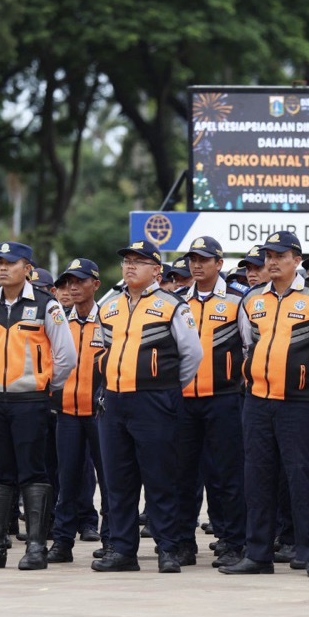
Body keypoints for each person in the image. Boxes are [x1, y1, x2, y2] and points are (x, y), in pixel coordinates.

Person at [220, 230, 309, 579]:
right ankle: (258, 553)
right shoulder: (252, 300)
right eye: (268, 256)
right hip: (259, 401)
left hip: (301, 403)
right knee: (258, 478)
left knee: (304, 477)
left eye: (280, 256)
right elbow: (249, 346)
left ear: (298, 260)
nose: (272, 262)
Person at [91, 240, 202, 574]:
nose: (129, 267)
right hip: (115, 401)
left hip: (155, 401)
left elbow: (192, 356)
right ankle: (123, 550)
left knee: (160, 478)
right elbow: (100, 350)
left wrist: (164, 386)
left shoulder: (173, 305)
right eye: (126, 261)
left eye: (138, 262)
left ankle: (168, 549)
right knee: (118, 481)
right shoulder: (108, 306)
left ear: (156, 270)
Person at [0, 242, 76, 571]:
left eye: (11, 263)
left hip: (30, 401)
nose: (3, 268)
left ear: (27, 268)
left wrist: (41, 385)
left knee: (33, 472)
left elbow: (66, 357)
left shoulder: (47, 305)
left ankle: (36, 546)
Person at [174, 236, 248, 569]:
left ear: (219, 264)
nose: (197, 264)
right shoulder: (176, 301)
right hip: (184, 401)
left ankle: (232, 542)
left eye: (204, 259)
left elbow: (250, 346)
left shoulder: (237, 300)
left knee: (227, 474)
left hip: (225, 399)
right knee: (183, 476)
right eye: (193, 259)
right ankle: (183, 543)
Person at [47, 258, 109, 563]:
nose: (72, 287)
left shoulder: (109, 319)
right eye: (68, 281)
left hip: (101, 414)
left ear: (95, 285)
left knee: (109, 480)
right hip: (67, 413)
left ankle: (112, 539)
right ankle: (62, 542)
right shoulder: (61, 321)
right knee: (67, 479)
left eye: (79, 281)